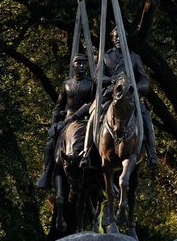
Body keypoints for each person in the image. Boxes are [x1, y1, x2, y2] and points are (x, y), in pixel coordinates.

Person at [88, 27, 158, 169]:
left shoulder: (134, 58)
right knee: (93, 116)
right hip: (110, 95)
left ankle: (152, 155)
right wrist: (112, 79)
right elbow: (97, 77)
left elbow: (144, 80)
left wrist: (134, 87)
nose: (118, 39)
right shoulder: (106, 57)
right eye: (116, 37)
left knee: (147, 119)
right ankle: (86, 153)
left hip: (131, 97)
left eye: (121, 37)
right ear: (112, 39)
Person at [36, 53, 96, 189]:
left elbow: (92, 104)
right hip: (66, 121)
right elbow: (58, 106)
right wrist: (54, 124)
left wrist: (77, 115)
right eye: (78, 63)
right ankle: (46, 173)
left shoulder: (92, 84)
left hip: (84, 121)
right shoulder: (67, 84)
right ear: (73, 65)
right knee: (50, 145)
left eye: (83, 63)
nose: (81, 66)